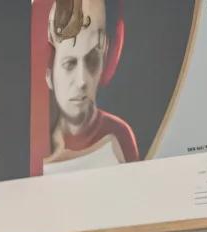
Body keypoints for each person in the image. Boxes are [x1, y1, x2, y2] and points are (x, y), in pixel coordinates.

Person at [42, 0, 139, 172]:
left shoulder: (118, 135)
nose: (82, 81)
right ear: (49, 74)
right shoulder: (39, 145)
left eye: (92, 60)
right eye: (69, 64)